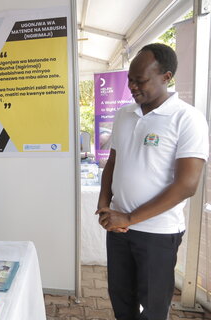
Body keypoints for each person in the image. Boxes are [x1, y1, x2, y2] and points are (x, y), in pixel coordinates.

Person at [96, 43, 209, 319]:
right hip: (119, 229)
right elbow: (113, 161)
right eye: (130, 80)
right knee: (121, 298)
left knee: (153, 308)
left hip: (157, 233)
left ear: (166, 77)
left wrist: (130, 217)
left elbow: (187, 185)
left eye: (140, 80)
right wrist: (104, 205)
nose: (132, 86)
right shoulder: (125, 114)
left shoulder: (188, 118)